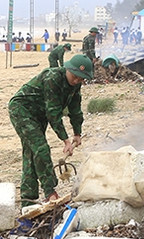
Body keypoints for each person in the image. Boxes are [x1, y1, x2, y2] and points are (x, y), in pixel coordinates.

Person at [8, 54, 93, 208]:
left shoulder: (76, 85)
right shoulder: (53, 77)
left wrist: (77, 133)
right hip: (22, 110)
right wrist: (65, 140)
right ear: (68, 69)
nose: (76, 81)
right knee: (41, 149)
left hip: (39, 114)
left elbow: (75, 110)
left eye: (81, 79)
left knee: (32, 154)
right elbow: (53, 112)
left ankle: (28, 202)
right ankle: (50, 192)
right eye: (75, 77)